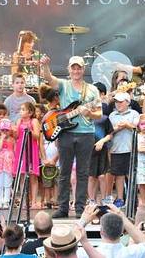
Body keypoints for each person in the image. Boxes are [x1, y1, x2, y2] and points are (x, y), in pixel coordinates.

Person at [40, 55, 101, 218]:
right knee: (64, 171)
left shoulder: (92, 90)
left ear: (83, 69)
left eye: (79, 67)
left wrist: (90, 113)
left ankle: (80, 207)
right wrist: (45, 65)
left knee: (82, 172)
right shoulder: (63, 85)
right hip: (66, 133)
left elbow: (99, 113)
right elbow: (48, 78)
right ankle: (62, 207)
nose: (76, 70)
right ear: (69, 69)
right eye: (73, 67)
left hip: (86, 133)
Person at [100, 91, 140, 207]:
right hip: (116, 149)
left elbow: (138, 128)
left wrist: (127, 125)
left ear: (127, 102)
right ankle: (120, 198)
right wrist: (118, 128)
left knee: (131, 174)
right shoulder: (112, 115)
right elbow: (110, 132)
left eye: (121, 102)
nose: (118, 104)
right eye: (116, 102)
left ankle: (133, 198)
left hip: (131, 148)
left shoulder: (134, 114)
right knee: (118, 175)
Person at [78, 203, 145, 258]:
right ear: (122, 230)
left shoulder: (84, 254)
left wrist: (83, 220)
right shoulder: (133, 253)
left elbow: (67, 243)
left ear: (101, 232)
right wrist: (123, 218)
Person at [14, 102, 41, 208]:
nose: (21, 111)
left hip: (31, 148)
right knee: (22, 175)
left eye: (23, 109)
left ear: (30, 112)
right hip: (21, 148)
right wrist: (14, 131)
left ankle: (34, 201)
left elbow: (37, 136)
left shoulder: (34, 121)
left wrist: (29, 131)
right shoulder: (19, 121)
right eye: (20, 109)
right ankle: (24, 200)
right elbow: (16, 136)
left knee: (33, 176)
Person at [88, 82, 111, 204]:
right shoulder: (87, 114)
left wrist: (102, 141)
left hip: (102, 148)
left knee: (102, 176)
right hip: (89, 148)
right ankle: (91, 199)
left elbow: (110, 133)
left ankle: (104, 199)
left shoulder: (105, 117)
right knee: (91, 176)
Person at [0, 118, 15, 209]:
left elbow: (14, 151)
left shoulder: (12, 139)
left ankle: (6, 201)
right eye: (3, 130)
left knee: (8, 183)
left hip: (9, 162)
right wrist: (2, 138)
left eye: (7, 130)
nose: (5, 132)